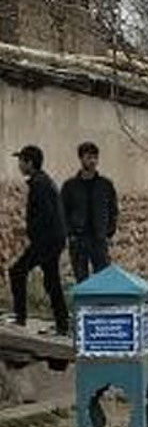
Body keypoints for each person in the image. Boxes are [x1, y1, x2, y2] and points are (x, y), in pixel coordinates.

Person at [7, 146, 70, 335]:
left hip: (47, 240)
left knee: (17, 271)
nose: (19, 165)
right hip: (52, 239)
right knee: (52, 281)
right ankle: (62, 324)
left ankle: (20, 318)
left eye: (22, 161)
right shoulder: (42, 181)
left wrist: (34, 236)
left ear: (30, 163)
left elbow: (45, 215)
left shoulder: (40, 184)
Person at [60, 141, 118, 282]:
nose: (92, 161)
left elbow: (113, 210)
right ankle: (83, 304)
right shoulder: (70, 186)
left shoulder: (105, 185)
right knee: (81, 278)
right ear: (81, 159)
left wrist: (108, 232)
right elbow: (61, 212)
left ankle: (102, 304)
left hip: (99, 238)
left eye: (95, 157)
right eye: (88, 157)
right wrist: (70, 233)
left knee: (104, 277)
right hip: (78, 239)